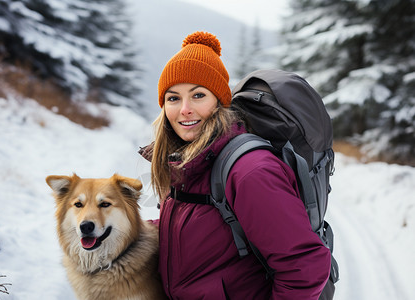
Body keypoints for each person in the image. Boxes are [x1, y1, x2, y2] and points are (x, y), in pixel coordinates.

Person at [140, 31, 331, 299]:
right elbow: (200, 232)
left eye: (198, 95)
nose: (184, 109)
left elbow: (304, 267)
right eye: (173, 98)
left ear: (219, 101)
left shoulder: (250, 170)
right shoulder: (184, 163)